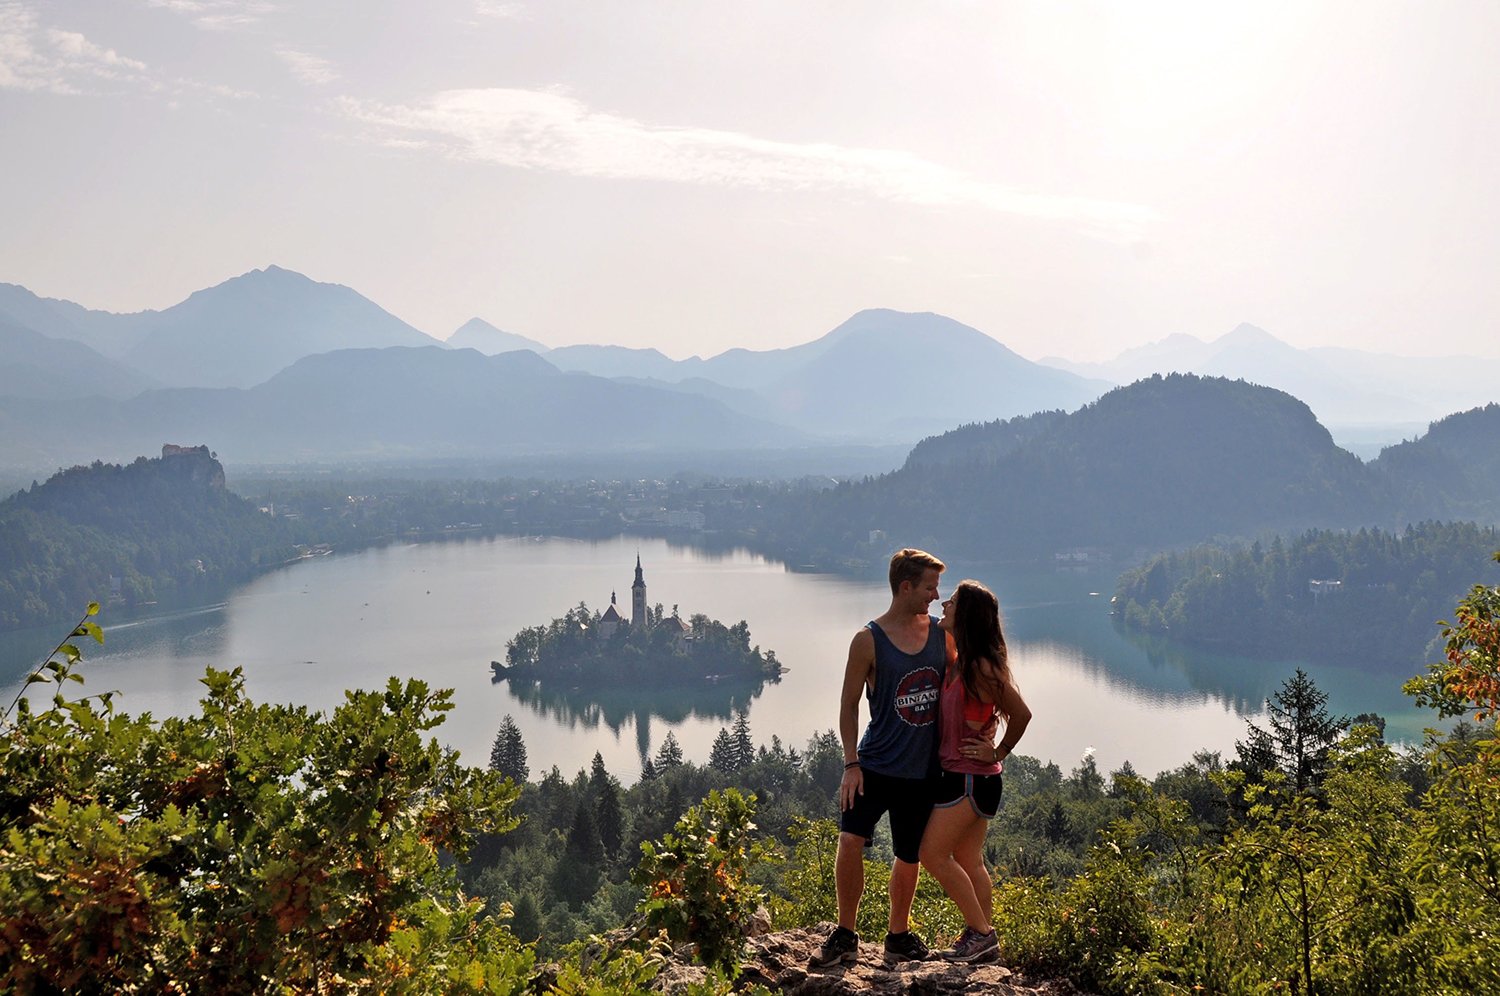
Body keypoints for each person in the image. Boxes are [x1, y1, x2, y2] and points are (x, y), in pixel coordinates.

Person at [811, 549, 995, 968]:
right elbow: (848, 704)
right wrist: (850, 763)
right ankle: (845, 933)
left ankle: (898, 934)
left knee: (908, 854)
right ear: (906, 586)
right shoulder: (867, 640)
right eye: (930, 586)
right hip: (873, 765)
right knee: (850, 840)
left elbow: (968, 684)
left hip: (924, 770)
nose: (936, 594)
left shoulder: (940, 635)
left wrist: (987, 732)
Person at [919, 579, 1032, 964]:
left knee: (931, 854)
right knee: (969, 861)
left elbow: (1022, 714)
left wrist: (997, 750)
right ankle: (981, 938)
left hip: (971, 779)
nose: (944, 604)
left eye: (952, 601)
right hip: (969, 778)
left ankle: (982, 935)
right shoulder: (961, 661)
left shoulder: (981, 667)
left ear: (965, 615)